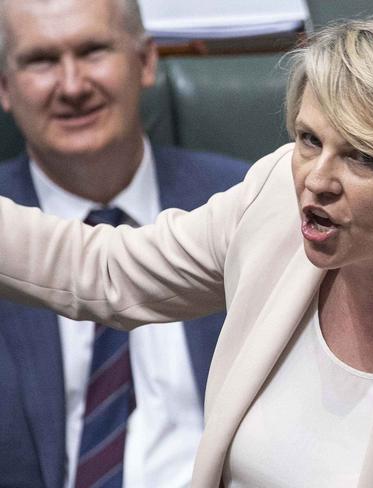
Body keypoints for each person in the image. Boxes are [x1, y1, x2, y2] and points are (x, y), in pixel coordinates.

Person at [0, 13, 373, 487]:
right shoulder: (272, 202)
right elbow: (106, 273)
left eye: (362, 156)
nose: (317, 179)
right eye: (309, 140)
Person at [0, 0, 248, 486]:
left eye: (93, 51)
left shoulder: (243, 207)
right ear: (4, 88)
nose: (72, 87)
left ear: (146, 61)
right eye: (42, 61)